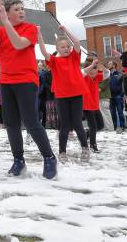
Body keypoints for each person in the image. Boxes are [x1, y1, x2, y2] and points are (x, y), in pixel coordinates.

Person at [0, 0, 57, 179]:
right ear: (8, 13)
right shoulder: (3, 29)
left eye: (22, 9)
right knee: (11, 124)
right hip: (7, 81)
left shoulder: (31, 28)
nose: (21, 12)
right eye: (16, 9)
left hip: (26, 80)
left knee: (31, 122)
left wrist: (6, 22)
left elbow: (18, 44)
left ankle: (49, 158)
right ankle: (18, 160)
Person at [37, 25, 89, 163]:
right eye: (62, 47)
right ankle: (62, 152)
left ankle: (85, 148)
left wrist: (65, 30)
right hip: (61, 96)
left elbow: (77, 42)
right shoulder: (54, 62)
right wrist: (39, 34)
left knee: (78, 124)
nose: (66, 48)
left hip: (76, 94)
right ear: (58, 49)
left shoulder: (74, 58)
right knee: (64, 125)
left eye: (67, 46)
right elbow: (43, 52)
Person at [81, 57, 110, 153]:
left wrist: (103, 67)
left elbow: (107, 74)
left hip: (95, 106)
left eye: (95, 69)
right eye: (91, 69)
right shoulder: (84, 77)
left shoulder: (97, 77)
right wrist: (91, 66)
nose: (93, 71)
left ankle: (86, 135)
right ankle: (93, 146)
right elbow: (82, 72)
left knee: (100, 125)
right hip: (86, 106)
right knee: (93, 126)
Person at [108, 61, 126, 132]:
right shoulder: (108, 74)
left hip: (118, 96)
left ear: (114, 65)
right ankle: (114, 126)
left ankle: (122, 126)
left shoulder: (119, 74)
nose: (108, 65)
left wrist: (122, 94)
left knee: (120, 111)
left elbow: (123, 84)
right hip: (110, 96)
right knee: (112, 112)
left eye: (109, 64)